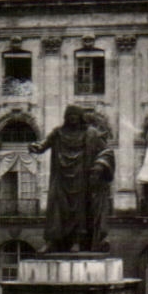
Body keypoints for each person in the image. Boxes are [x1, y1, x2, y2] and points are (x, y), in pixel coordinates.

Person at [30, 105, 115, 253]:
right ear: (65, 117)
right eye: (69, 115)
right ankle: (52, 241)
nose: (72, 117)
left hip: (81, 177)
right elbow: (44, 144)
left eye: (75, 115)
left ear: (81, 117)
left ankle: (78, 241)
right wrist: (36, 146)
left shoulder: (91, 133)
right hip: (61, 177)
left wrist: (100, 165)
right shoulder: (58, 133)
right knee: (56, 209)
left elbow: (106, 151)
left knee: (80, 210)